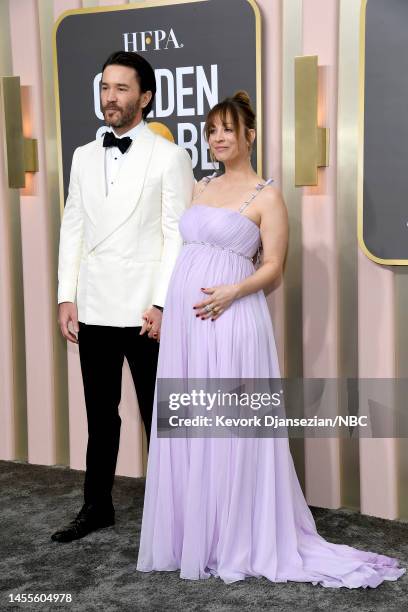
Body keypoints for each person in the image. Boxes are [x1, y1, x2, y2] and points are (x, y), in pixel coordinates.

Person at [136, 91, 406, 587]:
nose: (217, 138)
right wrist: (164, 310)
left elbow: (275, 266)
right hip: (188, 328)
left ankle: (238, 537)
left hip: (233, 320)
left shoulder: (267, 195)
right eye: (211, 129)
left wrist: (232, 292)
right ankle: (201, 537)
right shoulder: (200, 189)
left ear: (249, 136)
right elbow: (184, 256)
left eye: (227, 129)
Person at [52, 51, 194, 543]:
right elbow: (73, 227)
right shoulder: (83, 155)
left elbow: (177, 235)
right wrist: (64, 296)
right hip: (92, 307)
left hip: (144, 312)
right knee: (100, 416)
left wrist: (161, 303)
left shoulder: (170, 156)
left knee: (160, 416)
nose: (110, 97)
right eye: (105, 87)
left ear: (145, 97)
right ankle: (96, 506)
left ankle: (175, 514)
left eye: (121, 89)